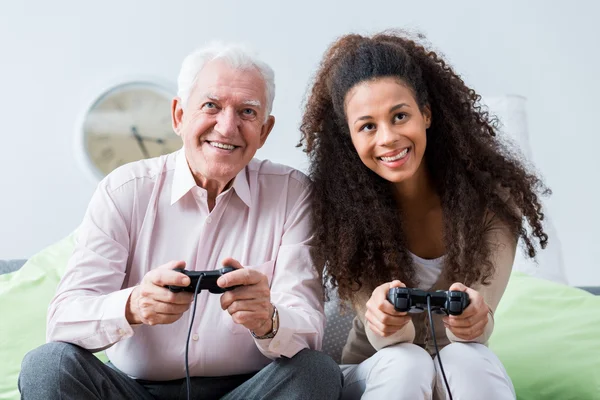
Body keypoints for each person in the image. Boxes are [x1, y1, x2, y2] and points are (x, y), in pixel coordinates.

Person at [19, 42, 343, 400]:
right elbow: (64, 319)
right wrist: (133, 305)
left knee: (316, 373)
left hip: (250, 390)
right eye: (211, 106)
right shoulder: (124, 190)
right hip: (134, 391)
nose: (227, 126)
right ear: (178, 116)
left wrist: (268, 319)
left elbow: (309, 332)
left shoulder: (293, 193)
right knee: (48, 366)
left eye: (247, 112)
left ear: (264, 132)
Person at [299, 30, 549, 400]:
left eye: (400, 116)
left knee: (467, 359)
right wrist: (385, 321)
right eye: (368, 126)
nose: (387, 138)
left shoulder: (494, 199)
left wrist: (475, 319)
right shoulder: (339, 215)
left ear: (426, 113)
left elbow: (477, 331)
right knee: (407, 362)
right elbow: (390, 341)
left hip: (460, 365)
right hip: (378, 367)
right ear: (350, 137)